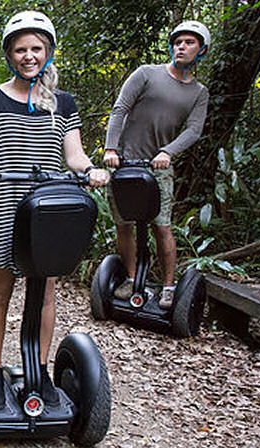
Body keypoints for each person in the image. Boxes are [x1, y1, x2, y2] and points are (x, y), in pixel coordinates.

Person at [0, 11, 109, 409]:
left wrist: (91, 171)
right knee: (0, 289)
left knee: (45, 292)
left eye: (36, 48)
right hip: (3, 206)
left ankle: (38, 369)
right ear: (10, 54)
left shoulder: (62, 103)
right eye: (21, 49)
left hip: (47, 210)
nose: (29, 56)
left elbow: (74, 155)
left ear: (48, 52)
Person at [102, 20, 210, 308]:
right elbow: (120, 108)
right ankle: (130, 278)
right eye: (177, 42)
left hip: (158, 167)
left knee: (162, 227)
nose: (181, 47)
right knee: (123, 224)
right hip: (123, 163)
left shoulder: (199, 93)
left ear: (201, 50)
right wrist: (111, 148)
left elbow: (193, 130)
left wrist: (167, 152)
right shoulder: (147, 74)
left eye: (189, 43)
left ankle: (168, 287)